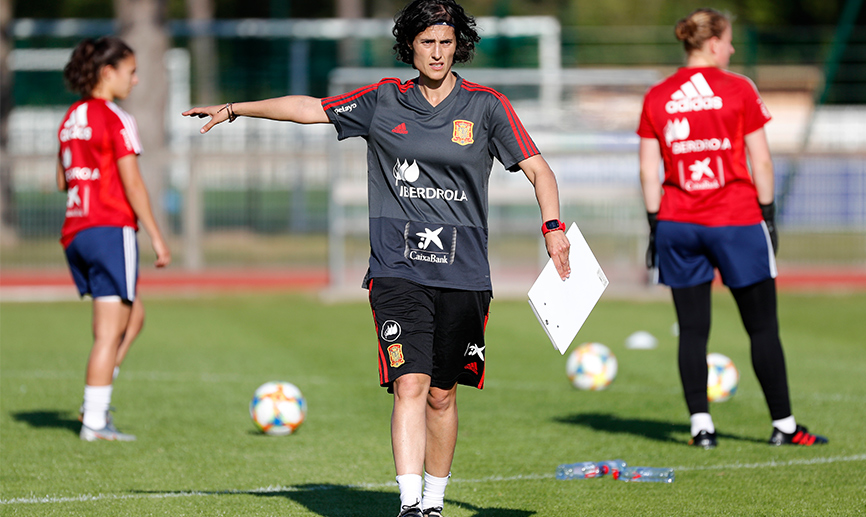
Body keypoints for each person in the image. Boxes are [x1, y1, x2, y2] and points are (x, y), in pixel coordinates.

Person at [184, 1, 569, 514]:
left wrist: (553, 229)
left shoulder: (487, 106)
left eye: (446, 42)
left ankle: (435, 500)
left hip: (465, 272)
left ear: (460, 46)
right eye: (427, 41)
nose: (437, 52)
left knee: (442, 394)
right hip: (397, 269)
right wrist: (234, 109)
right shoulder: (383, 100)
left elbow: (540, 171)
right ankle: (412, 505)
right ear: (410, 45)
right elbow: (310, 108)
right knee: (409, 382)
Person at [637, 8, 826, 449]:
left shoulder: (658, 95)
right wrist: (770, 214)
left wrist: (653, 226)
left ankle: (701, 426)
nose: (734, 48)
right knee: (762, 329)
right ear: (714, 43)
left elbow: (649, 170)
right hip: (736, 220)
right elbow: (760, 159)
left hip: (677, 223)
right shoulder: (739, 87)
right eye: (729, 40)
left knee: (692, 330)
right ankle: (784, 426)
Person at [59, 36, 171, 441]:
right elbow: (133, 183)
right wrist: (157, 237)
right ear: (108, 73)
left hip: (76, 230)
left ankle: (98, 392)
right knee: (108, 332)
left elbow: (62, 178)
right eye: (131, 71)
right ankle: (94, 419)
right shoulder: (116, 118)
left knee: (133, 315)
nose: (136, 80)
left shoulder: (71, 117)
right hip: (109, 228)